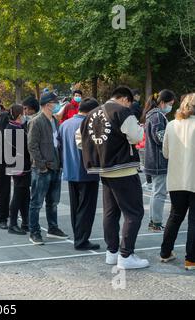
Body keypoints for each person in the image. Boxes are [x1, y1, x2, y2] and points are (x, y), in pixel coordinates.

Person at [78, 86, 148, 270]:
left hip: (103, 170)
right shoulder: (123, 112)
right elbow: (136, 136)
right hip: (123, 169)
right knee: (134, 213)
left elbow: (79, 139)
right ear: (125, 99)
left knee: (111, 212)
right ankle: (126, 255)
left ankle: (112, 252)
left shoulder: (91, 114)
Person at [27, 92, 69, 245]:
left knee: (53, 201)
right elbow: (32, 145)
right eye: (54, 102)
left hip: (56, 167)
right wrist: (41, 165)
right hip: (42, 169)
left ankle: (53, 228)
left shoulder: (55, 120)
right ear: (46, 104)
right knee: (36, 202)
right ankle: (34, 232)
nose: (57, 104)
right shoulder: (36, 121)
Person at [59, 98, 100, 251]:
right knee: (86, 207)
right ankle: (82, 239)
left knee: (75, 206)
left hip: (70, 170)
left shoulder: (65, 124)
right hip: (87, 171)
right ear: (92, 111)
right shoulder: (90, 124)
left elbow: (59, 146)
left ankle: (78, 236)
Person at [160, 93, 195, 271]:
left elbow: (165, 153)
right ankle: (191, 259)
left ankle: (165, 252)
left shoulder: (171, 125)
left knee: (175, 216)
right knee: (194, 220)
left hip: (175, 178)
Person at [142, 90, 176, 232]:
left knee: (157, 191)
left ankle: (154, 221)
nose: (171, 107)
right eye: (170, 104)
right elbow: (160, 138)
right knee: (159, 192)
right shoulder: (157, 116)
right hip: (158, 160)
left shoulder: (153, 114)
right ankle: (155, 222)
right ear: (162, 102)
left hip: (153, 159)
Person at [6, 104, 31, 235]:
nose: (25, 114)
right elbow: (25, 148)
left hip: (21, 165)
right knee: (18, 195)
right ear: (19, 115)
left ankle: (26, 222)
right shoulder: (14, 128)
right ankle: (13, 224)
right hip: (18, 166)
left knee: (25, 194)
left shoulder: (16, 126)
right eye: (23, 112)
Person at [0, 101, 12, 229]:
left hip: (10, 161)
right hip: (4, 161)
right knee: (4, 190)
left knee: (5, 190)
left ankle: (5, 216)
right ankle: (3, 217)